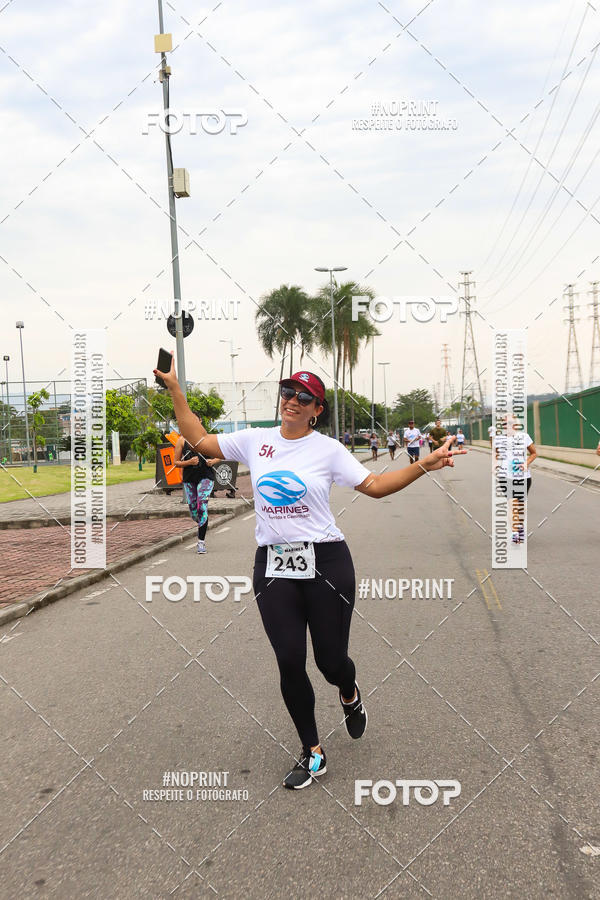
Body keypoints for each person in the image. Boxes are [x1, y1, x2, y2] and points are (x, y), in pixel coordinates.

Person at [154, 354, 467, 789]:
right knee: (289, 661)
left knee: (331, 661)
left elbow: (374, 487)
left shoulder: (329, 450)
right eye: (288, 392)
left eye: (305, 397)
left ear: (317, 410)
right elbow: (202, 440)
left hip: (326, 563)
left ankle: (349, 691)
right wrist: (174, 389)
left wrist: (422, 465)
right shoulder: (255, 440)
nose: (293, 401)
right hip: (274, 566)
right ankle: (312, 750)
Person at [174, 424, 219, 553]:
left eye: (196, 420)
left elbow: (221, 455)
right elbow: (175, 462)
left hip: (206, 476)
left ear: (199, 422)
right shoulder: (182, 440)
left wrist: (213, 461)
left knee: (202, 506)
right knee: (195, 511)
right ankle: (200, 520)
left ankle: (201, 542)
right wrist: (189, 462)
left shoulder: (209, 439)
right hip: (189, 479)